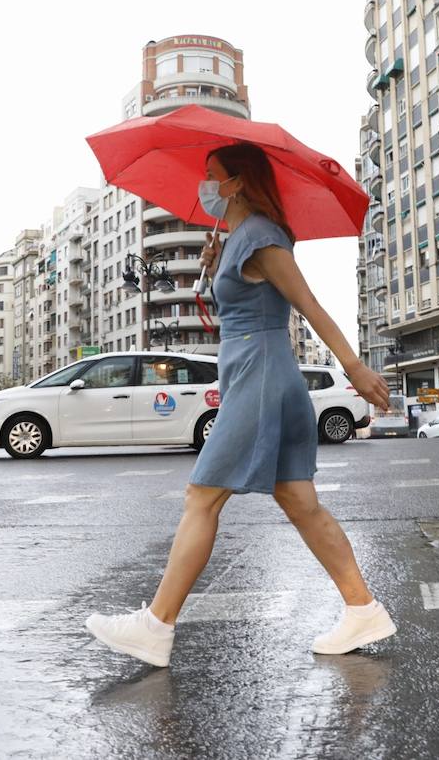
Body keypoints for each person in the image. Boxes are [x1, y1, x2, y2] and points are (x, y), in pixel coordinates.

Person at [86, 143, 395, 668]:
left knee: (201, 498)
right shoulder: (238, 240)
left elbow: (309, 306)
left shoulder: (259, 237)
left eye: (212, 176)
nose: (205, 186)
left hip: (261, 376)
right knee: (300, 503)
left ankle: (156, 626)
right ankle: (362, 609)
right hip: (265, 375)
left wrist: (355, 368)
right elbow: (249, 299)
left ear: (237, 183)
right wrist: (219, 264)